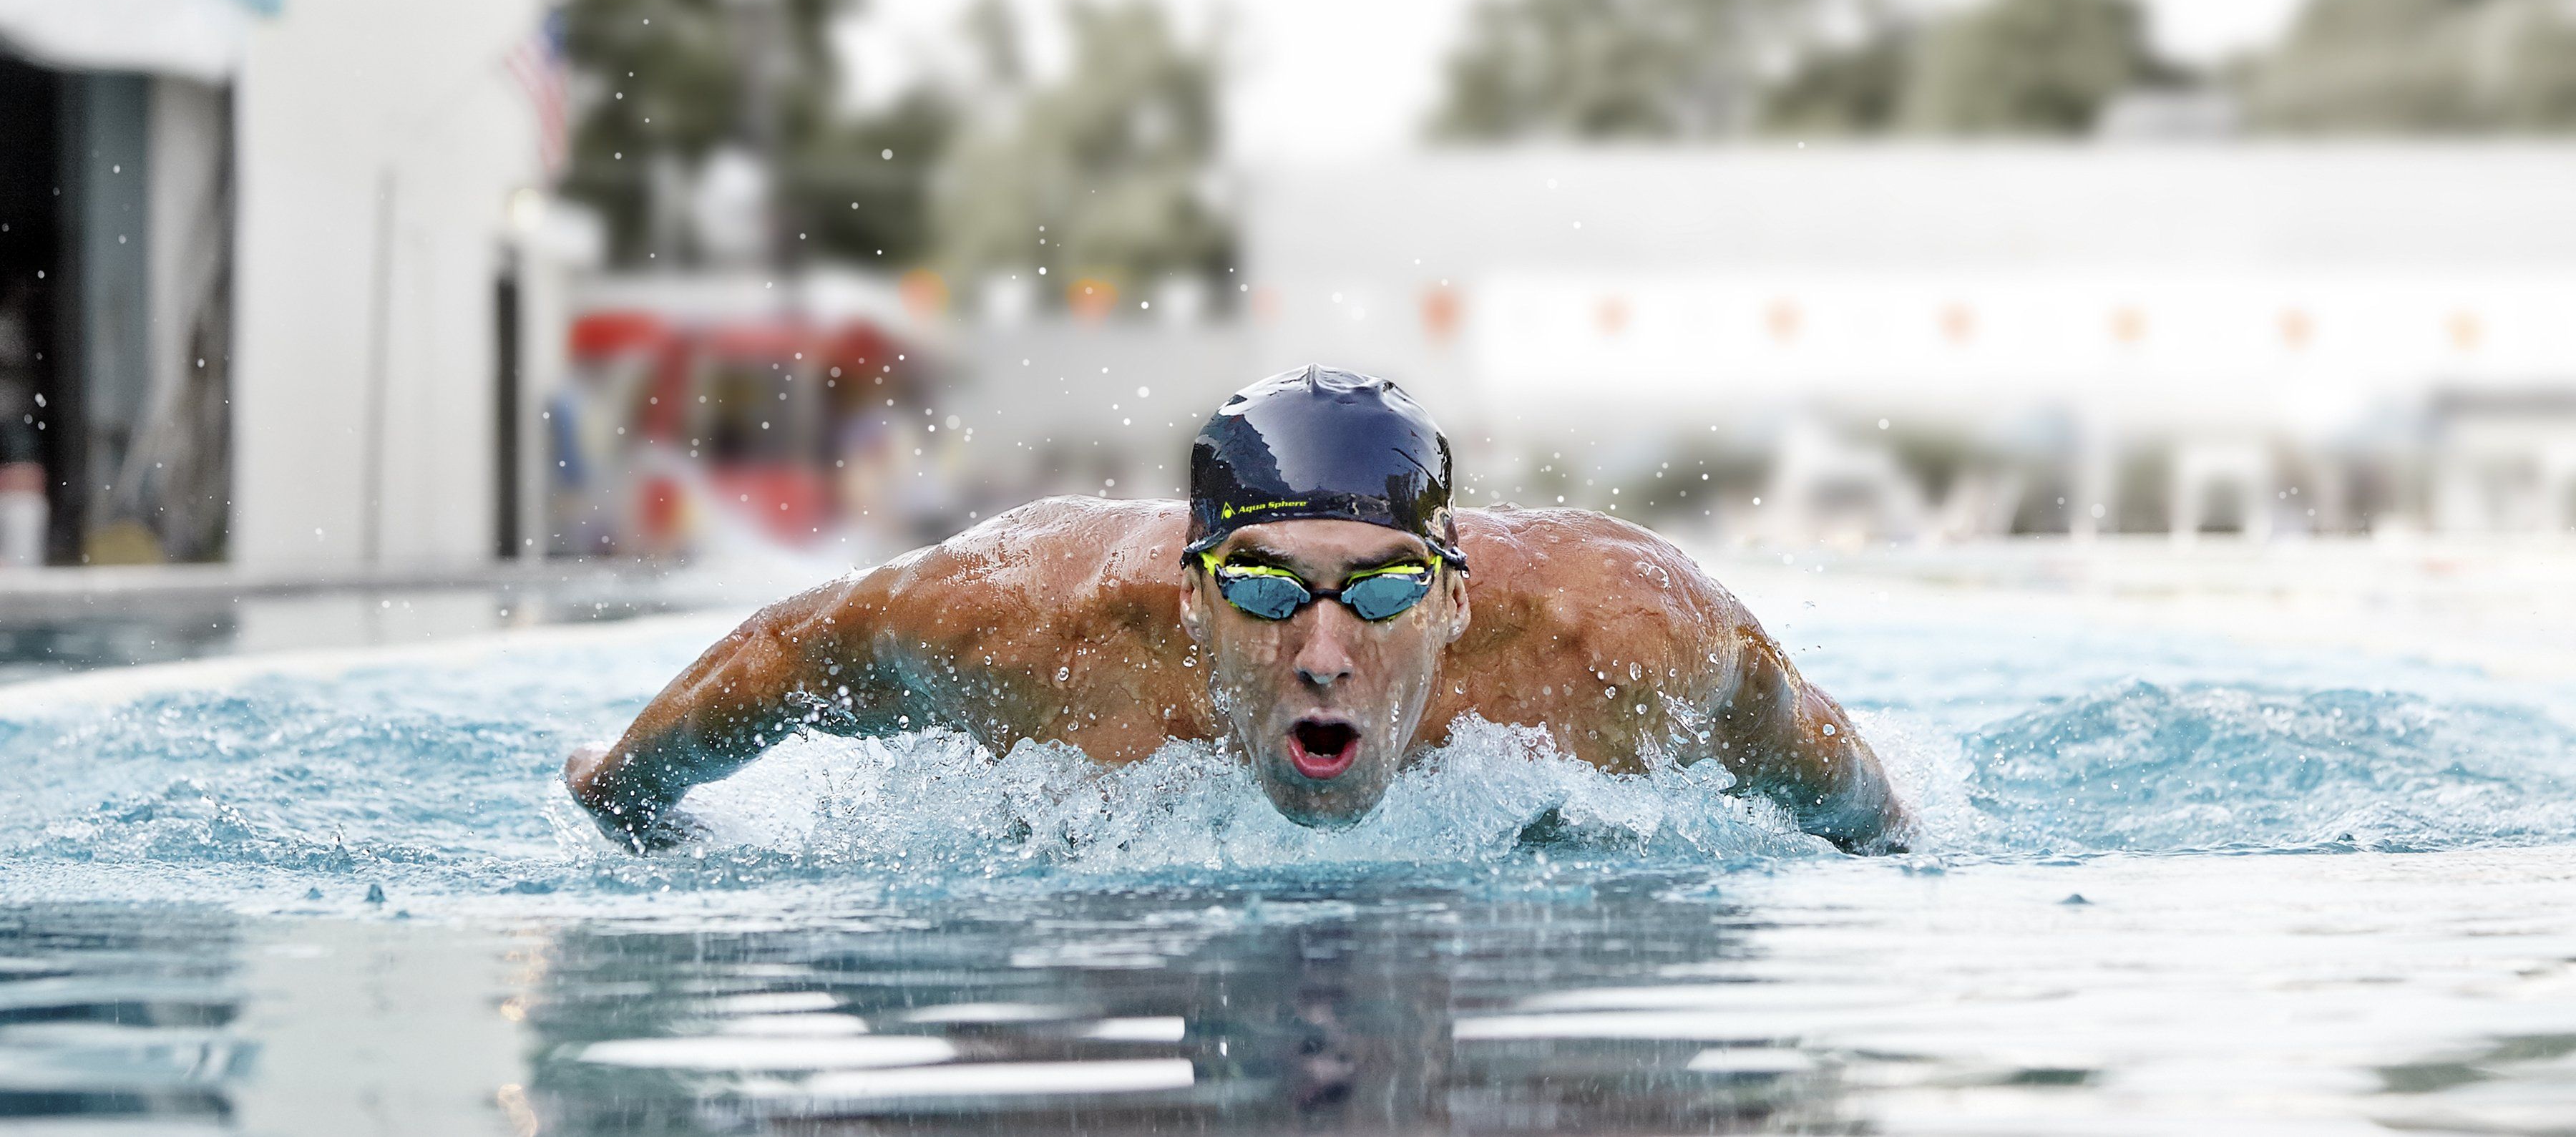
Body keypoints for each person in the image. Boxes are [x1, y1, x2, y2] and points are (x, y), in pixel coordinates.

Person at [565, 366, 1913, 854]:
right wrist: (628, 793)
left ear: (1455, 598)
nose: (1321, 653)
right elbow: (792, 651)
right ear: (1187, 590)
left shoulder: (1615, 642)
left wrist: (1893, 843)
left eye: (1379, 590)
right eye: (1266, 587)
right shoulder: (1031, 629)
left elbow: (1819, 758)